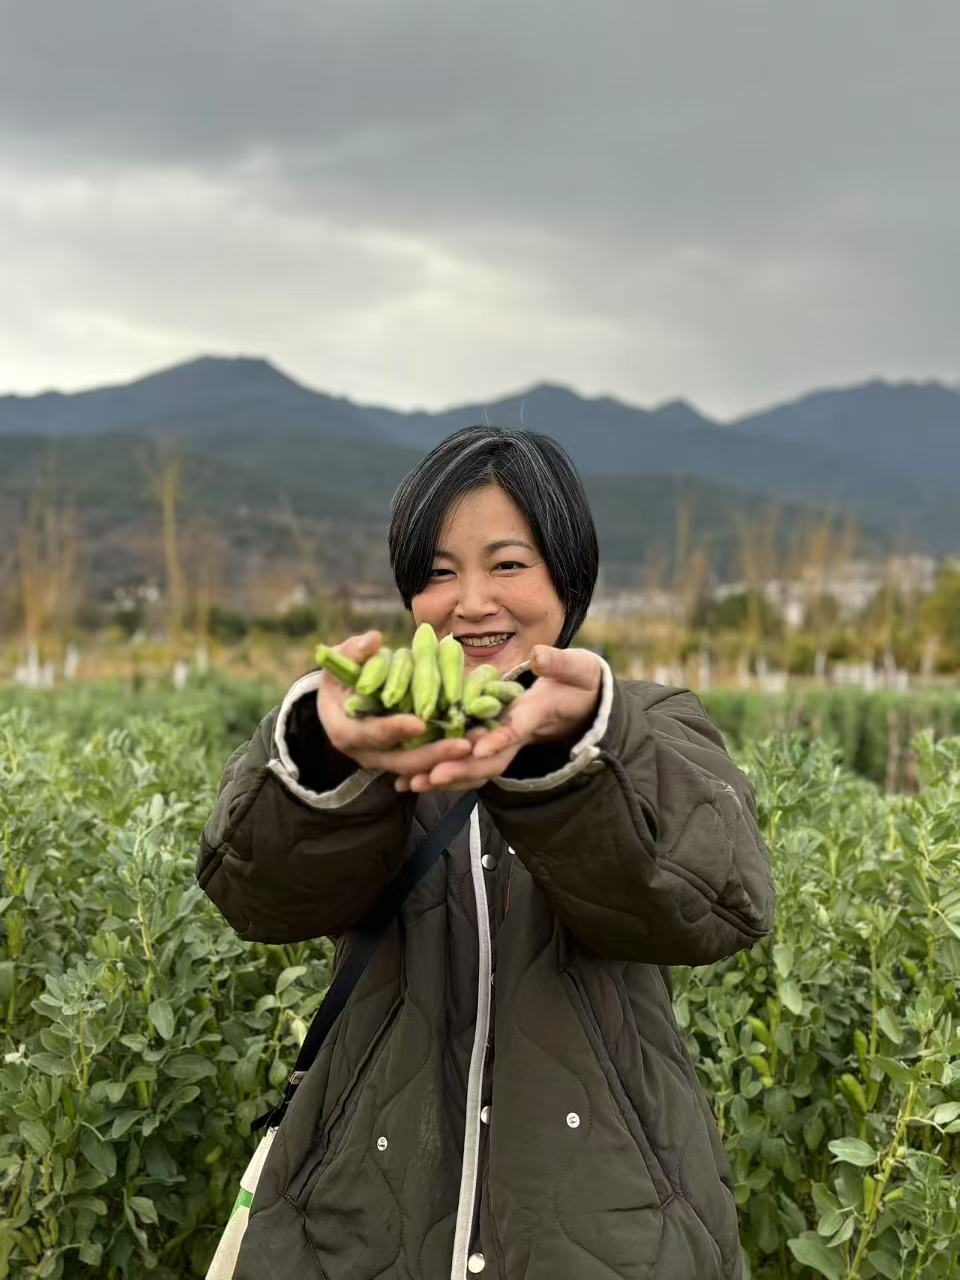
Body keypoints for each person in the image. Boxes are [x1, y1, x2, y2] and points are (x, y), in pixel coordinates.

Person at [198, 425, 776, 1280]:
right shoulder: (375, 736)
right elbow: (257, 894)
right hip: (364, 1222)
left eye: (508, 564)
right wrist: (321, 756)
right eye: (437, 571)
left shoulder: (645, 728)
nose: (471, 601)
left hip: (604, 1232)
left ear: (566, 577)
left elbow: (717, 903)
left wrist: (568, 756)